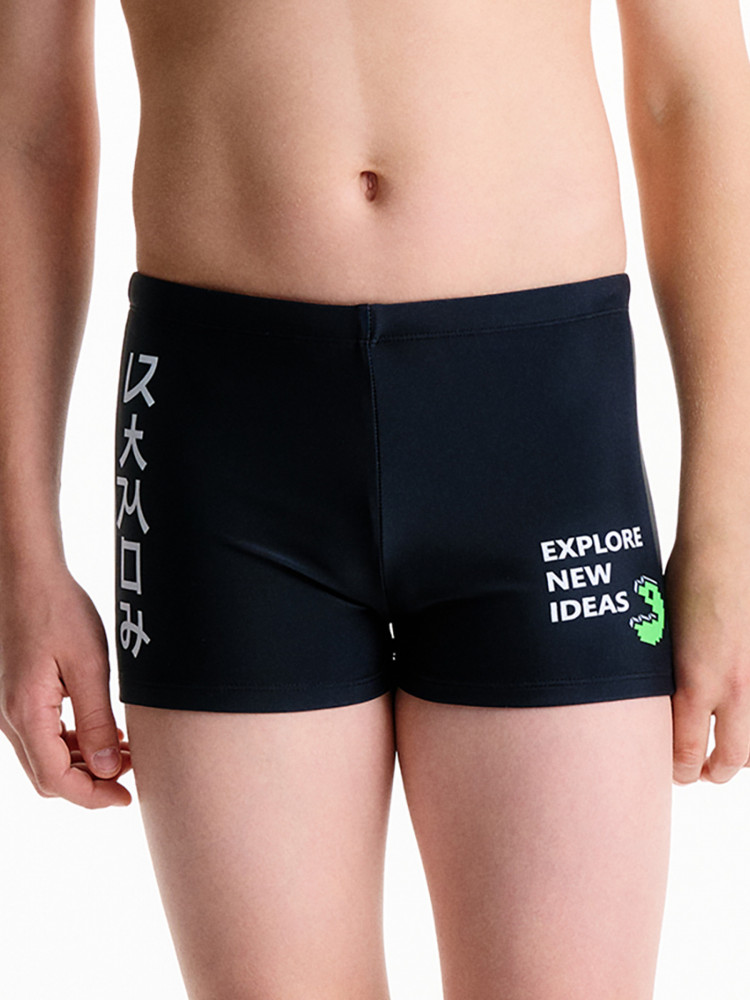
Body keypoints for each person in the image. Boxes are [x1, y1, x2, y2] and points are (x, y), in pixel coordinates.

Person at [1, 0, 749, 997]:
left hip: (541, 430)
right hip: (223, 440)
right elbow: (28, 128)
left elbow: (687, 90)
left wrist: (729, 528)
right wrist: (20, 554)